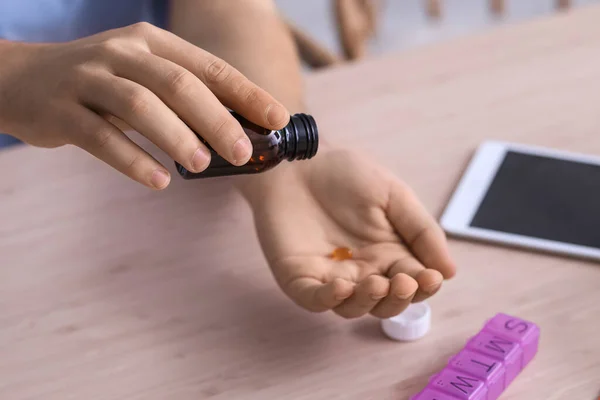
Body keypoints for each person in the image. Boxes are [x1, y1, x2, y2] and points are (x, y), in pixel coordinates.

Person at [0, 0, 456, 319]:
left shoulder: (275, 151)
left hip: (121, 196)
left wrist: (279, 177)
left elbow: (227, 6)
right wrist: (13, 76)